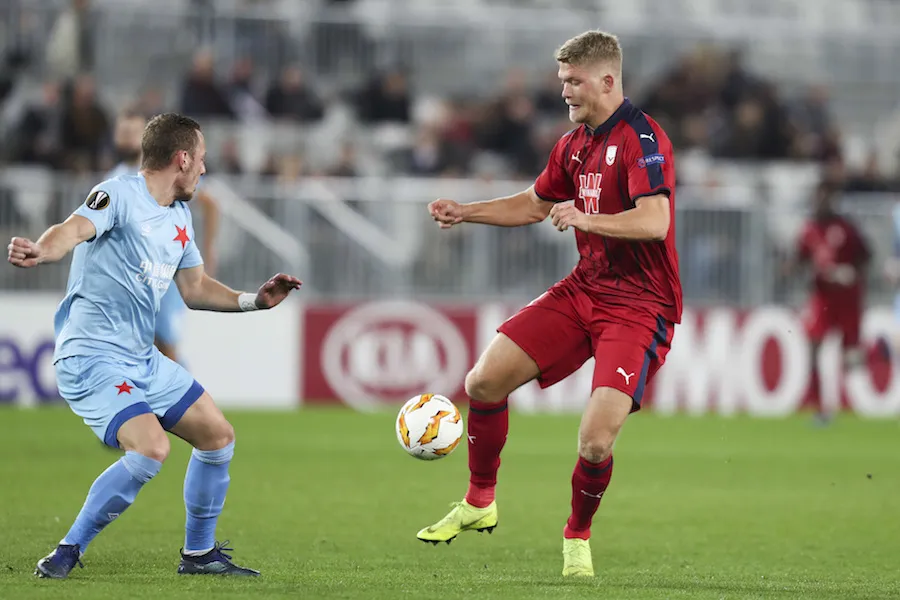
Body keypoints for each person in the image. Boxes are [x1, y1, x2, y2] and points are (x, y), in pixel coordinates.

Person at [418, 30, 681, 577]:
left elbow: (655, 222)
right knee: (482, 382)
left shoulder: (642, 137)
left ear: (607, 80)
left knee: (593, 442)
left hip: (638, 306)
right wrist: (465, 212)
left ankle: (577, 535)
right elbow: (535, 205)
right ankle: (479, 501)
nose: (563, 91)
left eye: (573, 81)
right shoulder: (573, 144)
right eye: (561, 80)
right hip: (585, 287)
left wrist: (588, 219)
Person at [7, 113, 301, 579]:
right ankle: (66, 550)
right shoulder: (120, 193)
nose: (204, 170)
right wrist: (44, 249)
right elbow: (72, 228)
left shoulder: (179, 217)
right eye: (201, 160)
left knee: (218, 436)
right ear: (182, 159)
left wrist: (254, 301)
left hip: (141, 358)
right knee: (150, 450)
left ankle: (199, 555)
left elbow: (196, 288)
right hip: (91, 357)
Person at [106, 107, 221, 364]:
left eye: (132, 133)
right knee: (142, 347)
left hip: (162, 271)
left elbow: (211, 203)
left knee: (164, 343)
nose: (126, 139)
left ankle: (187, 399)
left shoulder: (165, 173)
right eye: (122, 133)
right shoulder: (112, 178)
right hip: (130, 277)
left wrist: (209, 248)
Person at [790, 181, 870, 423]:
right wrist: (802, 270)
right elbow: (799, 259)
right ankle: (820, 407)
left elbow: (866, 255)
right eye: (819, 198)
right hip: (822, 296)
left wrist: (851, 272)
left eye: (826, 198)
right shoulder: (809, 229)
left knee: (850, 355)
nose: (822, 203)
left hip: (846, 297)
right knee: (814, 347)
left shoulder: (845, 227)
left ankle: (861, 392)